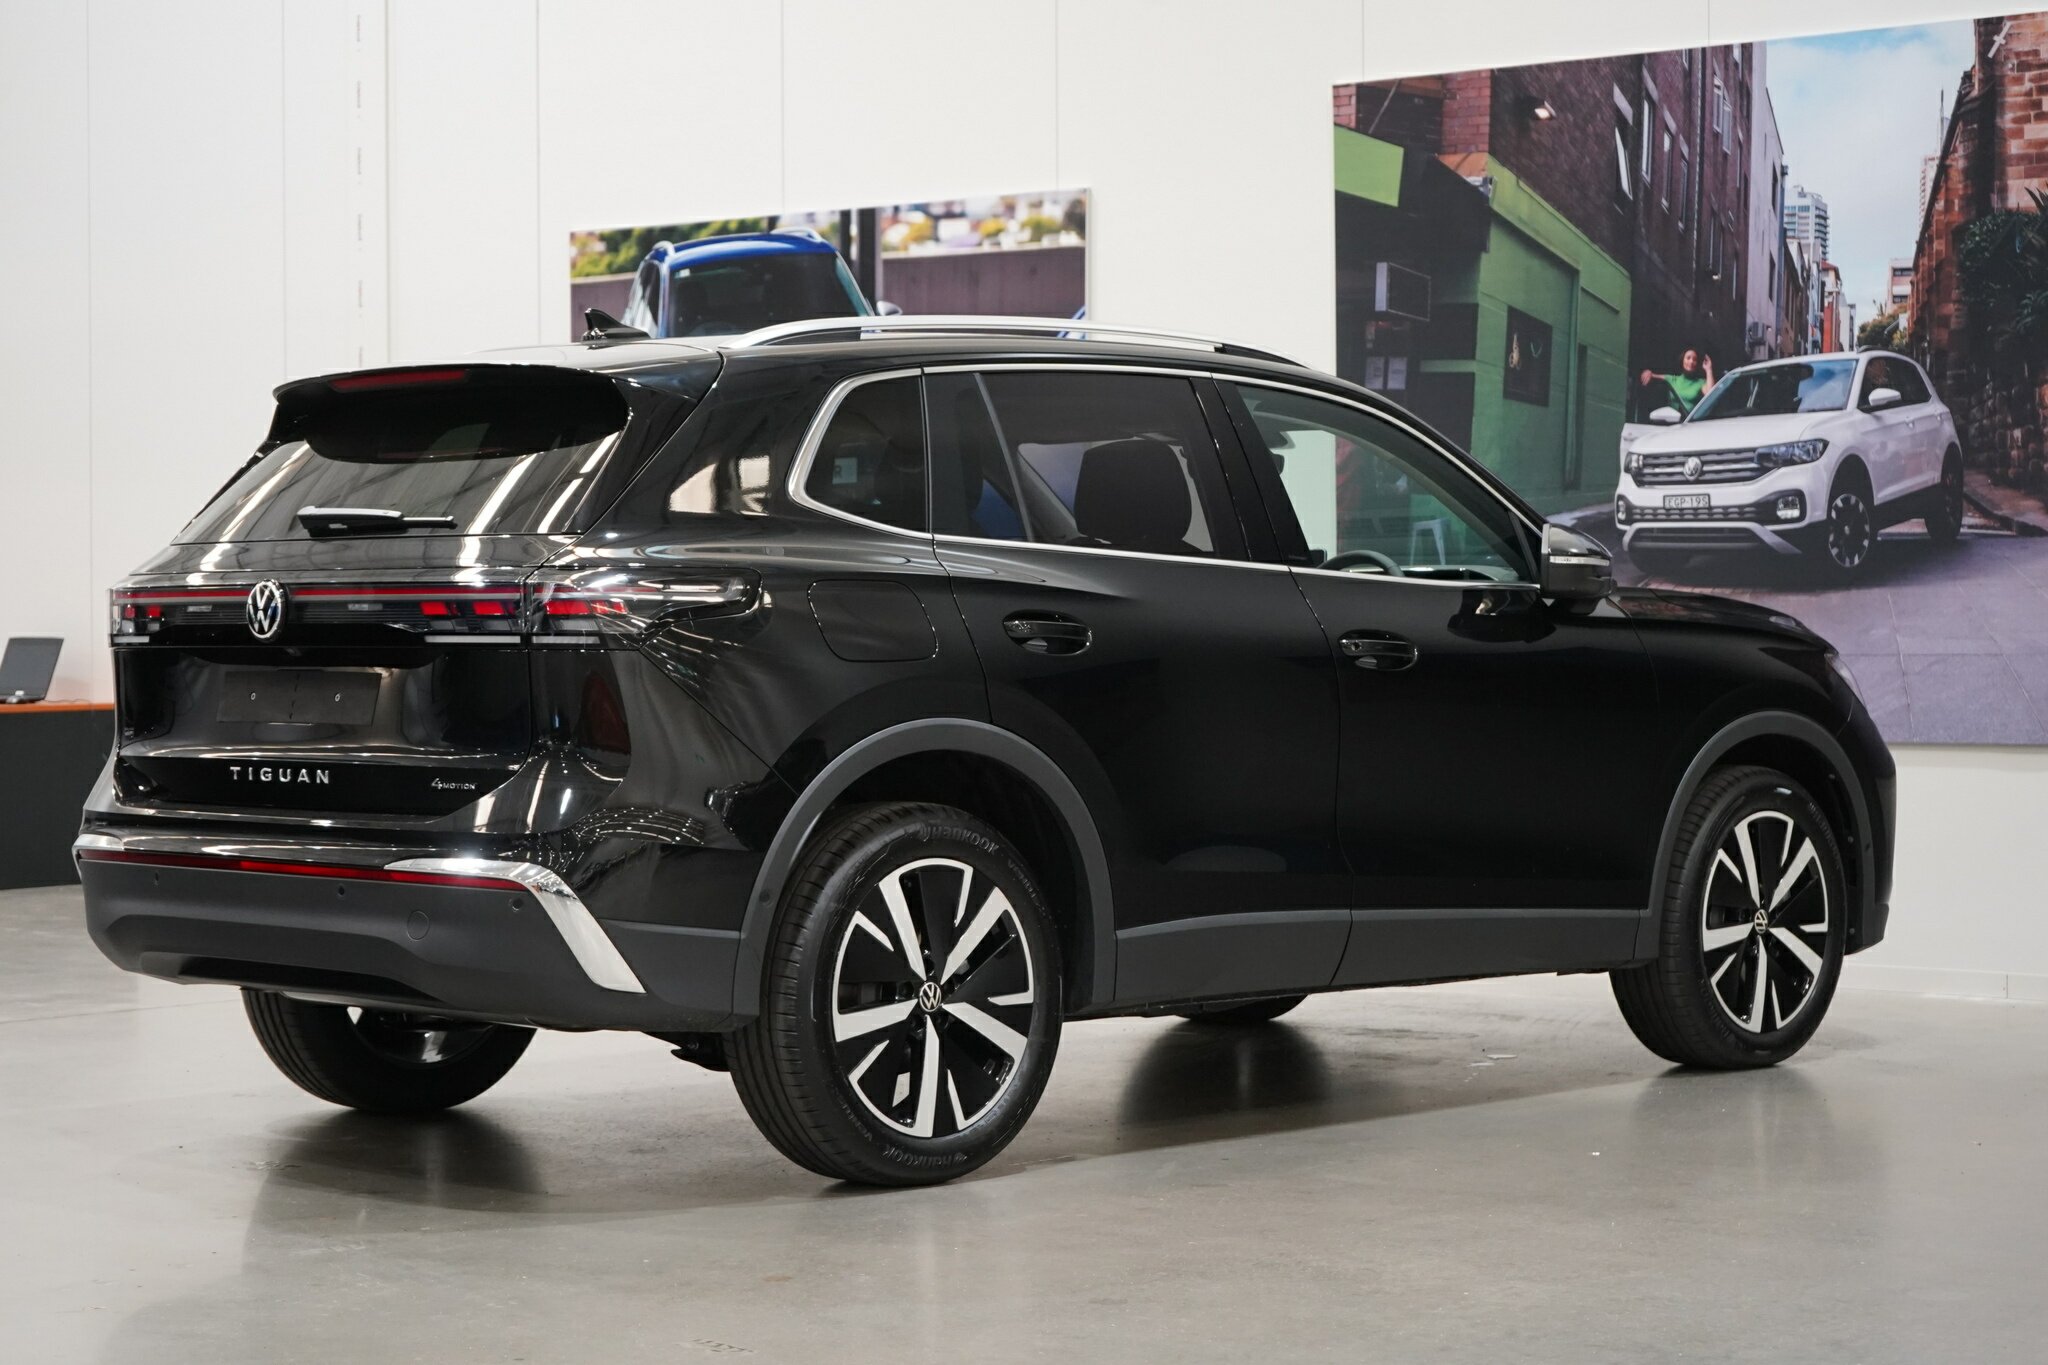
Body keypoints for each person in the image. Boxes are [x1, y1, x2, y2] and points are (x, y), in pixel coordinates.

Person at [1638, 347, 1716, 417]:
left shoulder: (1700, 382)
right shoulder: (1673, 379)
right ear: (1682, 361)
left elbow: (1711, 396)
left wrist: (1708, 369)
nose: (1691, 361)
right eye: (1688, 358)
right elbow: (1651, 375)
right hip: (1671, 422)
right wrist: (1648, 373)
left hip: (1690, 424)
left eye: (1694, 359)